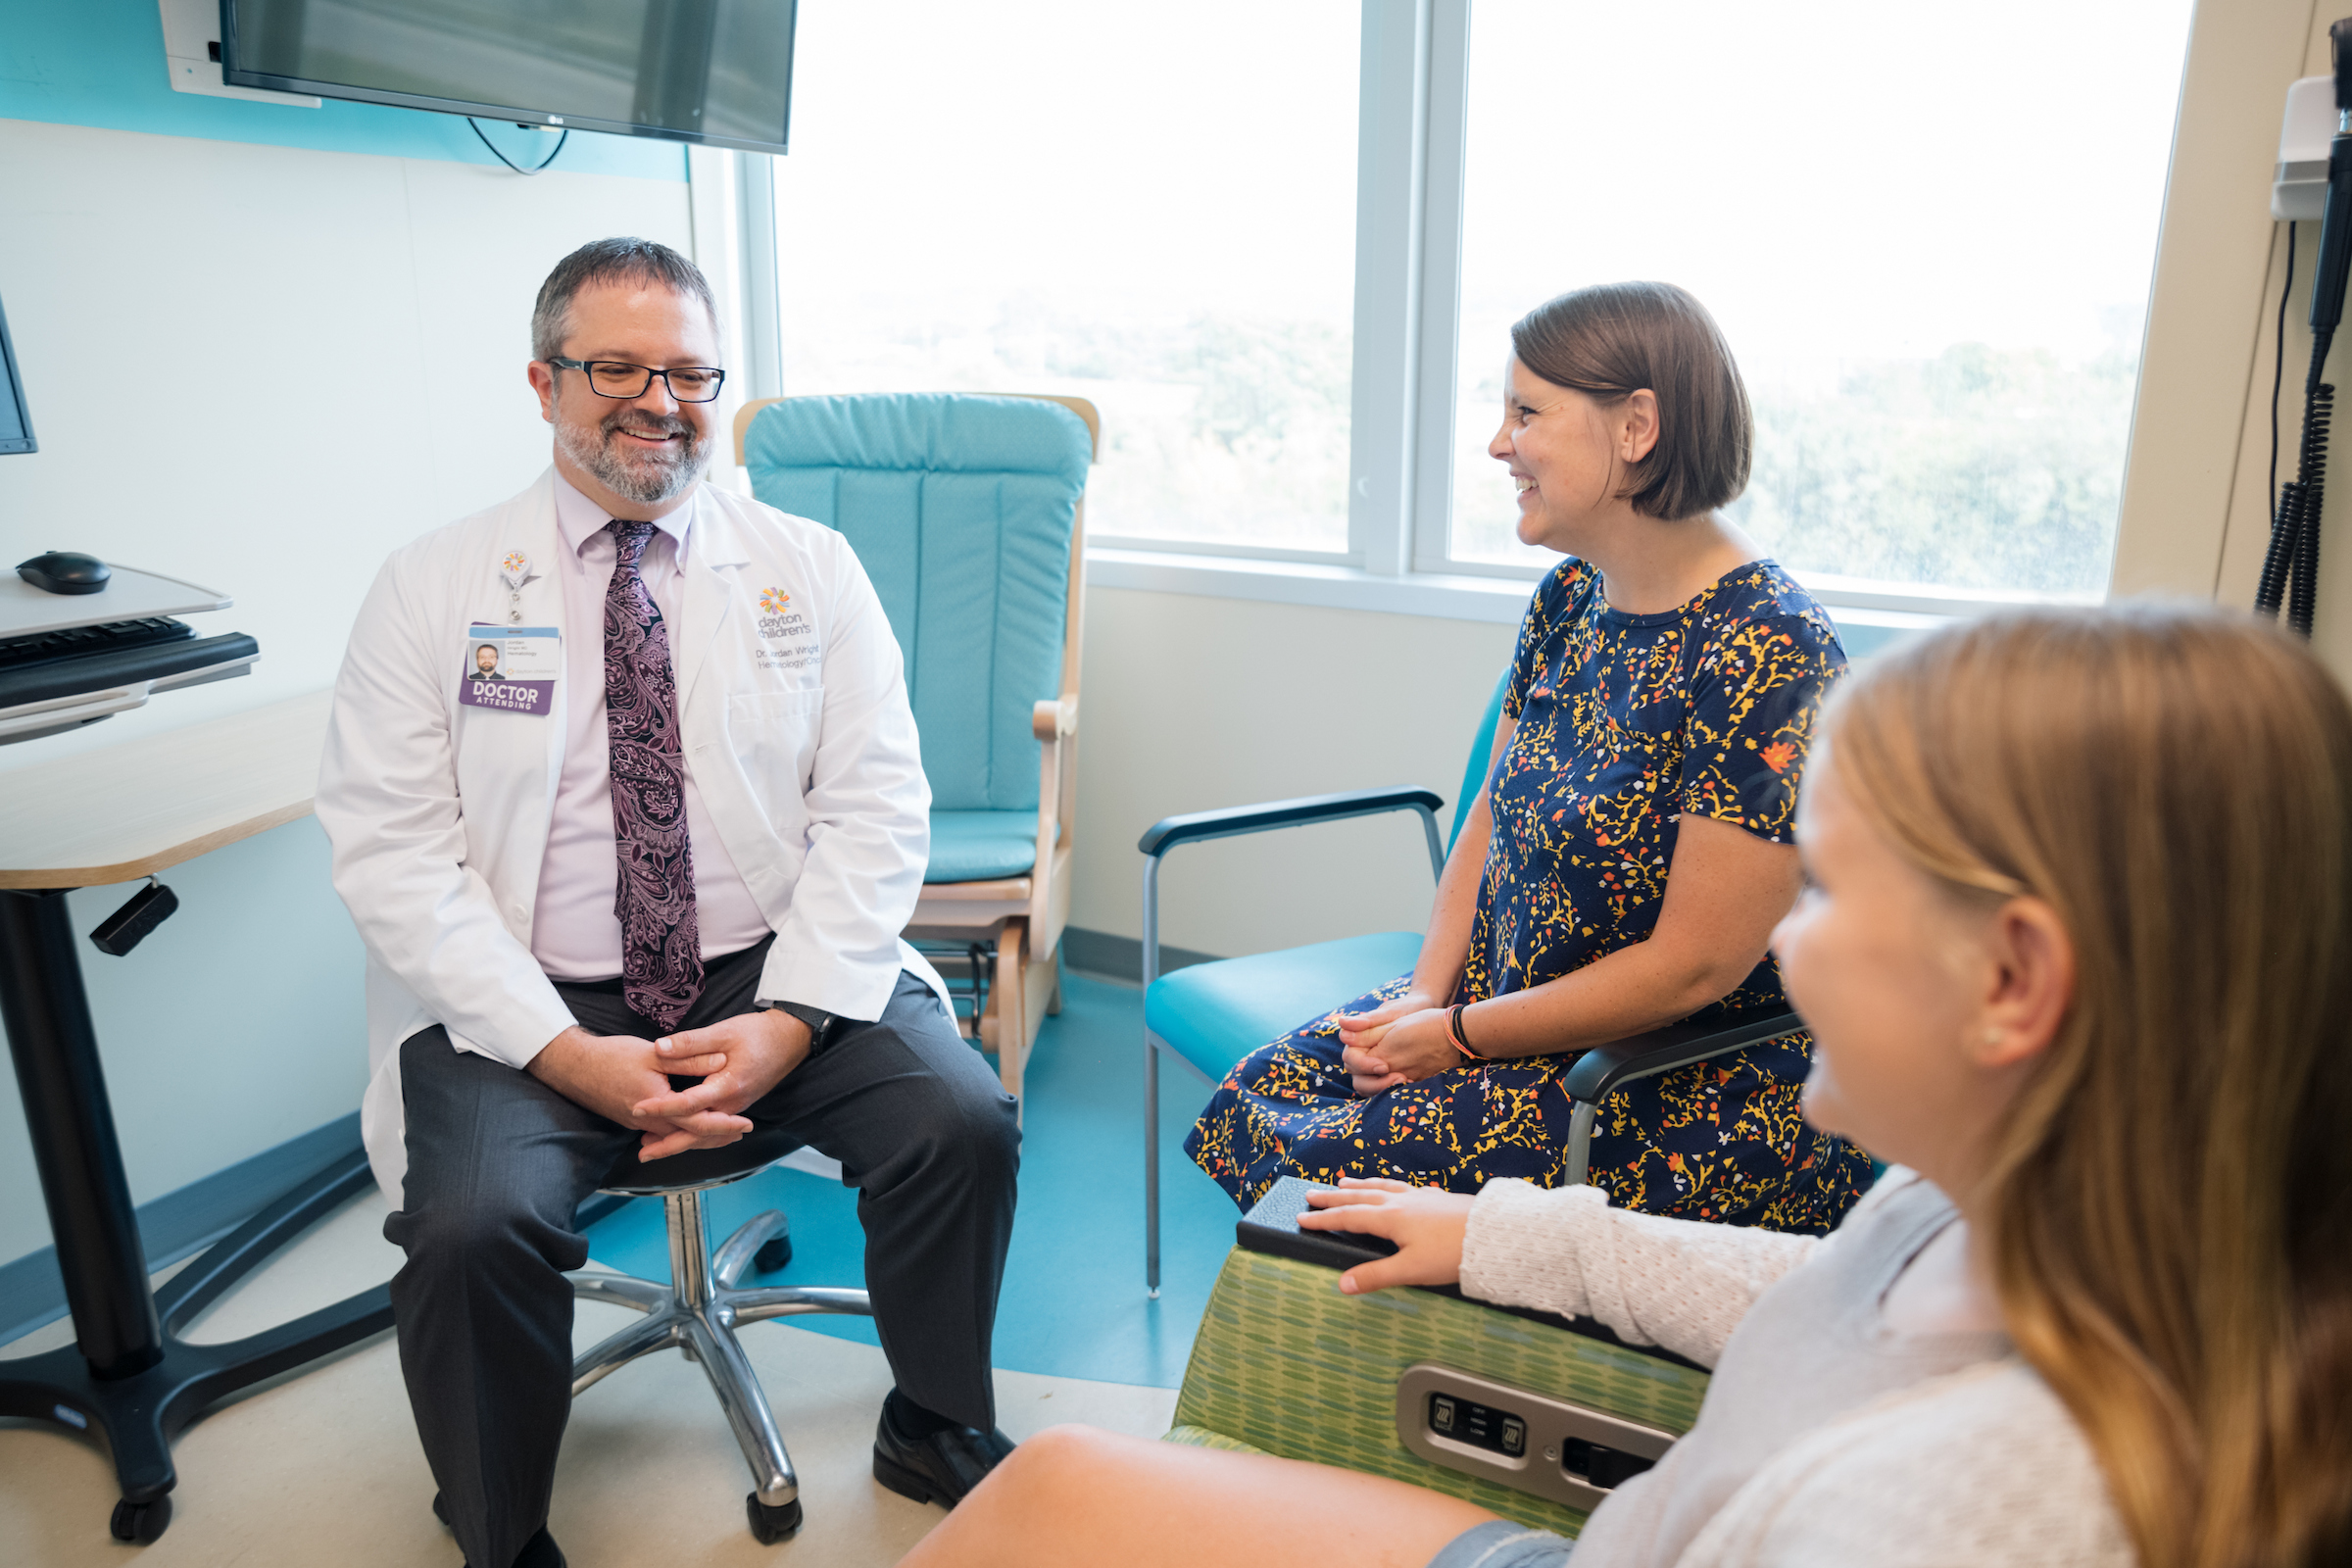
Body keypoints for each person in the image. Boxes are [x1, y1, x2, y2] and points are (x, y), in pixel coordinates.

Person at [905, 601, 2352, 1568]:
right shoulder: (1997, 1209)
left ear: (2013, 982)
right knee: (1061, 1485)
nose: (1780, 944)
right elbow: (1812, 1291)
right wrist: (1513, 1233)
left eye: (1833, 888)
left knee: (1055, 1499)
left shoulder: (1962, 1512)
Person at [316, 237, 1022, 1568]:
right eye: (616, 369)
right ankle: (498, 1527)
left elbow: (879, 806)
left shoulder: (805, 568)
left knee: (960, 1122)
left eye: (690, 372)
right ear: (542, 382)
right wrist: (563, 1052)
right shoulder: (433, 586)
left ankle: (932, 1416)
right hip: (524, 995)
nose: (659, 401)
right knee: (472, 1226)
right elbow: (392, 852)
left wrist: (798, 1019)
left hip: (770, 968)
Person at [1189, 282, 1872, 1234]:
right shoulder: (1569, 599)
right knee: (1263, 1092)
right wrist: (1426, 993)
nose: (1498, 444)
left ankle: (1420, 1375)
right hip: (1507, 1015)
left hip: (1673, 1077)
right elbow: (1489, 818)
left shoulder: (1766, 647)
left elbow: (1693, 969)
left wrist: (1456, 1036)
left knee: (1342, 1159)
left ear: (1636, 427)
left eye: (1526, 413)